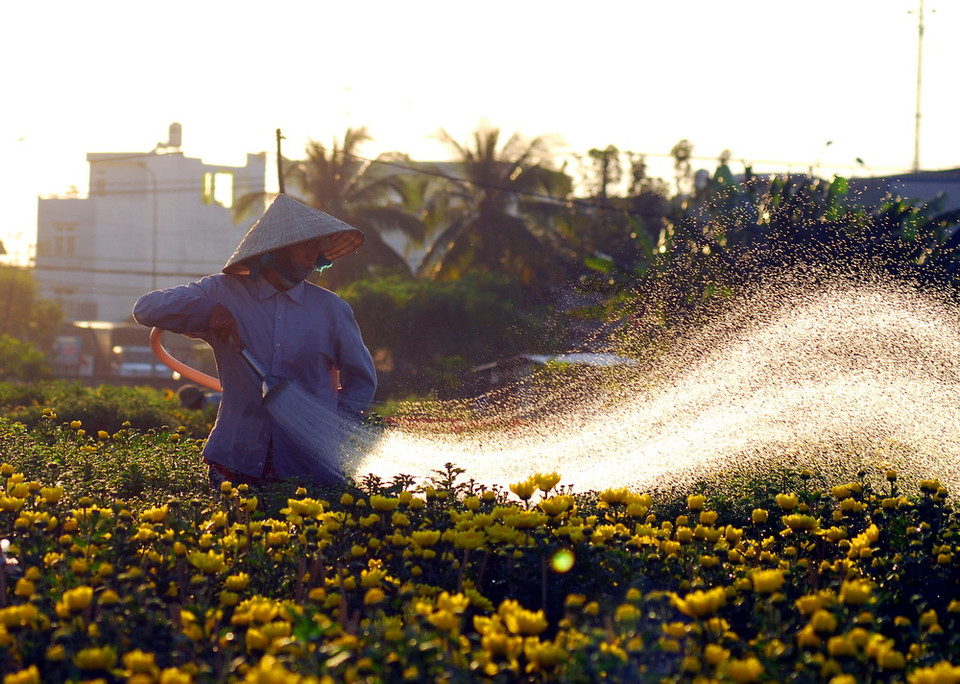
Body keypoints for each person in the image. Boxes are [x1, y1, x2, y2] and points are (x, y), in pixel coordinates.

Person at [134, 193, 377, 489]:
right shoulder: (221, 292)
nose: (312, 255)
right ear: (276, 250)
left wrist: (325, 424)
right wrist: (209, 311)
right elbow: (146, 308)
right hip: (236, 459)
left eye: (315, 247)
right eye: (303, 246)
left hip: (309, 466)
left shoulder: (331, 310)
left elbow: (362, 381)